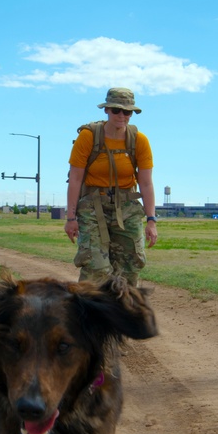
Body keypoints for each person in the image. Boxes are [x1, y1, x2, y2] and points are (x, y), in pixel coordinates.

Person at [65, 87, 158, 286]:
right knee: (96, 268)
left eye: (127, 111)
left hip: (127, 209)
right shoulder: (88, 137)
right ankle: (88, 314)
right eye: (116, 110)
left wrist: (151, 220)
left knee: (130, 267)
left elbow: (146, 183)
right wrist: (71, 218)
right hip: (92, 207)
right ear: (106, 110)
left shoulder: (139, 140)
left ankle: (122, 314)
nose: (121, 116)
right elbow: (75, 178)